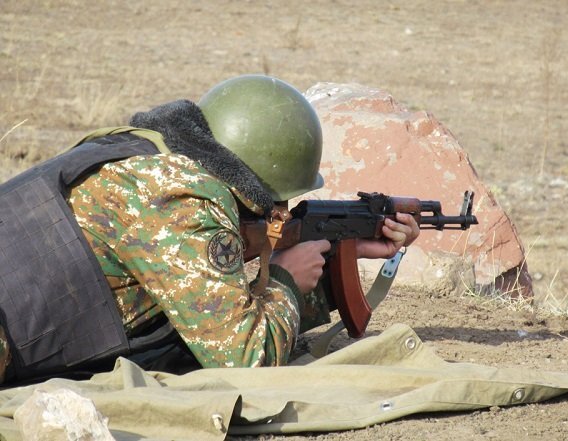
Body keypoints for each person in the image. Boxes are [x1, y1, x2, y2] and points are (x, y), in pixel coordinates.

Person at [0, 75, 419, 385]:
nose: (281, 215)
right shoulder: (185, 204)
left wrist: (341, 256)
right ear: (253, 191)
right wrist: (287, 279)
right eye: (275, 207)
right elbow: (246, 359)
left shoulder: (147, 157)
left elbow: (207, 312)